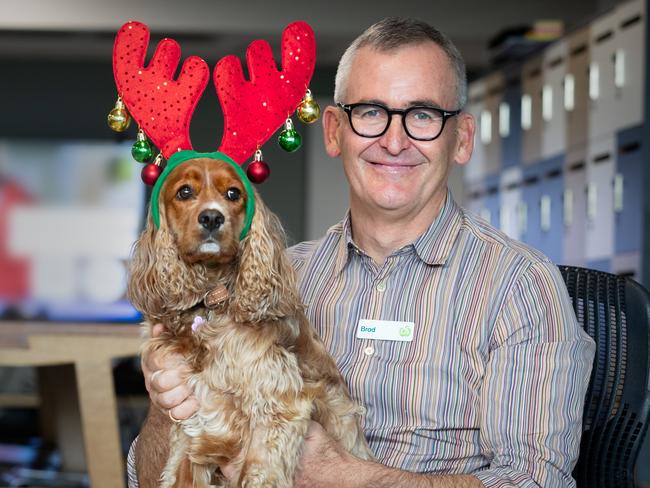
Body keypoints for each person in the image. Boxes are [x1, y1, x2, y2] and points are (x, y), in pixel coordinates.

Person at [128, 17, 595, 487]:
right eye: (371, 112)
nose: (395, 141)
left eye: (424, 115)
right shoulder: (278, 280)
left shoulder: (520, 287)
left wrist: (342, 475)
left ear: (463, 139)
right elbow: (147, 481)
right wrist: (169, 404)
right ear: (333, 131)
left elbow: (537, 481)